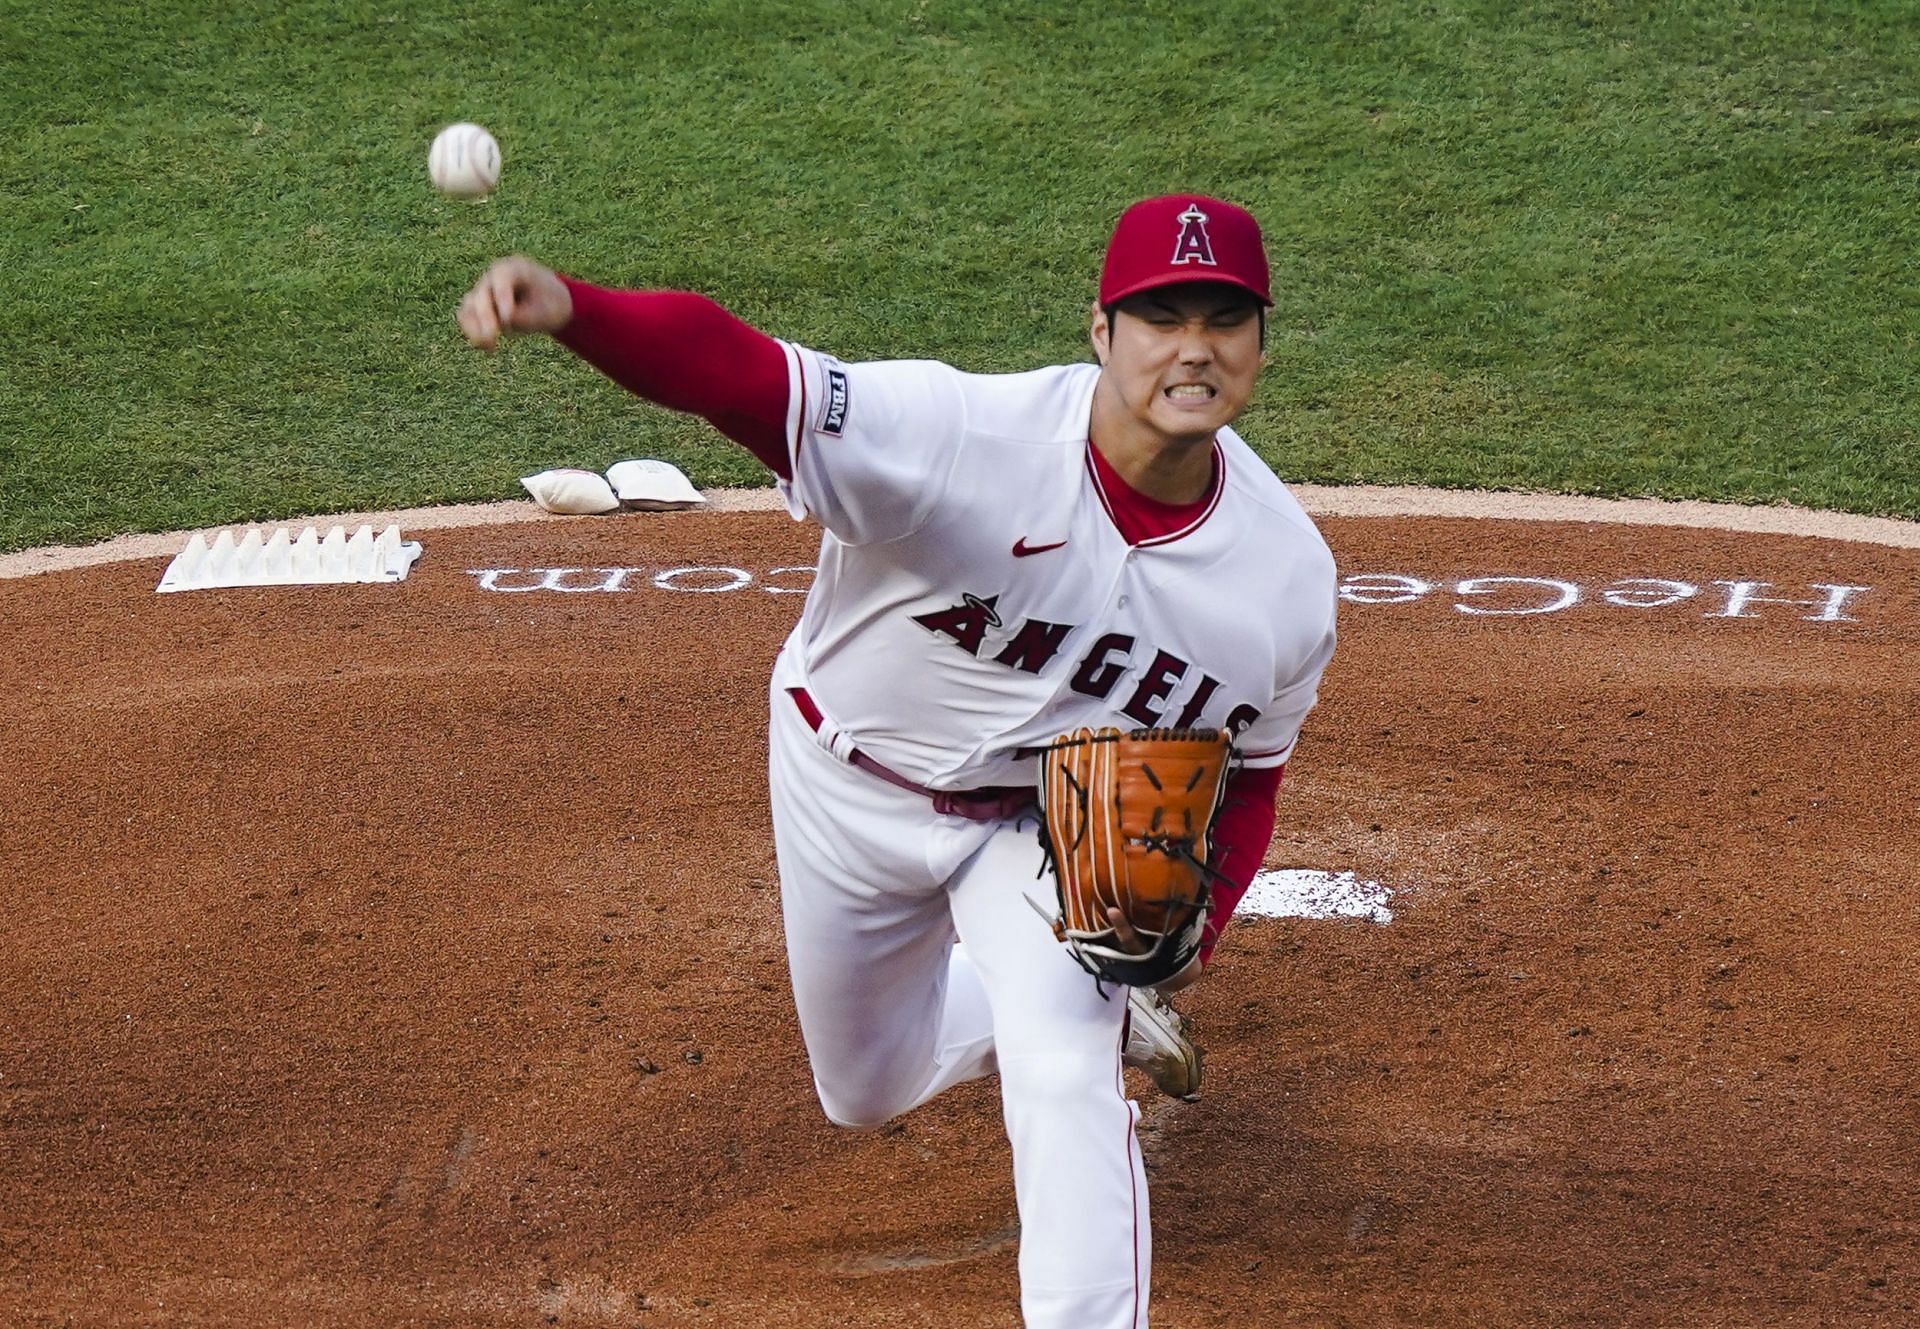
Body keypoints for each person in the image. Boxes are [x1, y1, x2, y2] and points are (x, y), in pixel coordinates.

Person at [457, 194, 1338, 1329]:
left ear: (1261, 345)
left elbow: (1252, 777)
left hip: (1037, 828)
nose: (1194, 346)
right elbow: (741, 374)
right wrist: (575, 311)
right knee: (863, 1087)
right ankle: (1064, 1007)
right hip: (844, 779)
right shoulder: (960, 436)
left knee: (1067, 1073)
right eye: (1161, 315)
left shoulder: (1282, 579)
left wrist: (1184, 948)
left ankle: (1085, 1025)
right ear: (1101, 331)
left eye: (1225, 319)